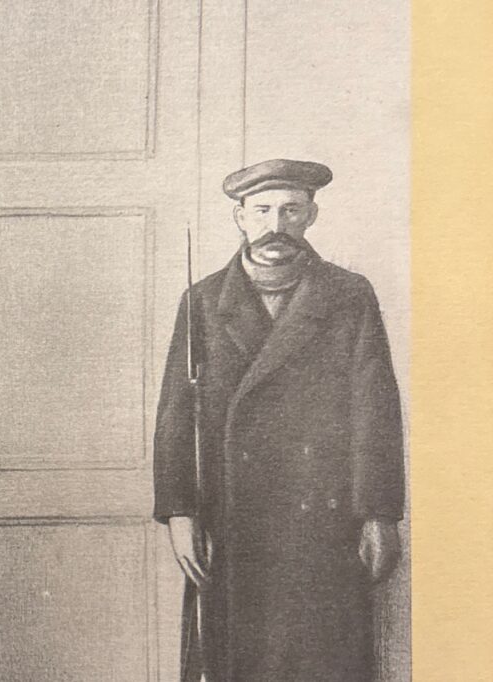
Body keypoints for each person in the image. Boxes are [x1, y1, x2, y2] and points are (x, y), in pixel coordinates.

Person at [153, 159, 405, 681]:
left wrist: (379, 513)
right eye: (263, 210)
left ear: (311, 215)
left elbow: (375, 409)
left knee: (323, 660)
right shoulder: (202, 301)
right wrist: (179, 513)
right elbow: (175, 416)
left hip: (325, 523)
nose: (276, 225)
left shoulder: (349, 295)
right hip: (231, 520)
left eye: (291, 210)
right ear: (240, 218)